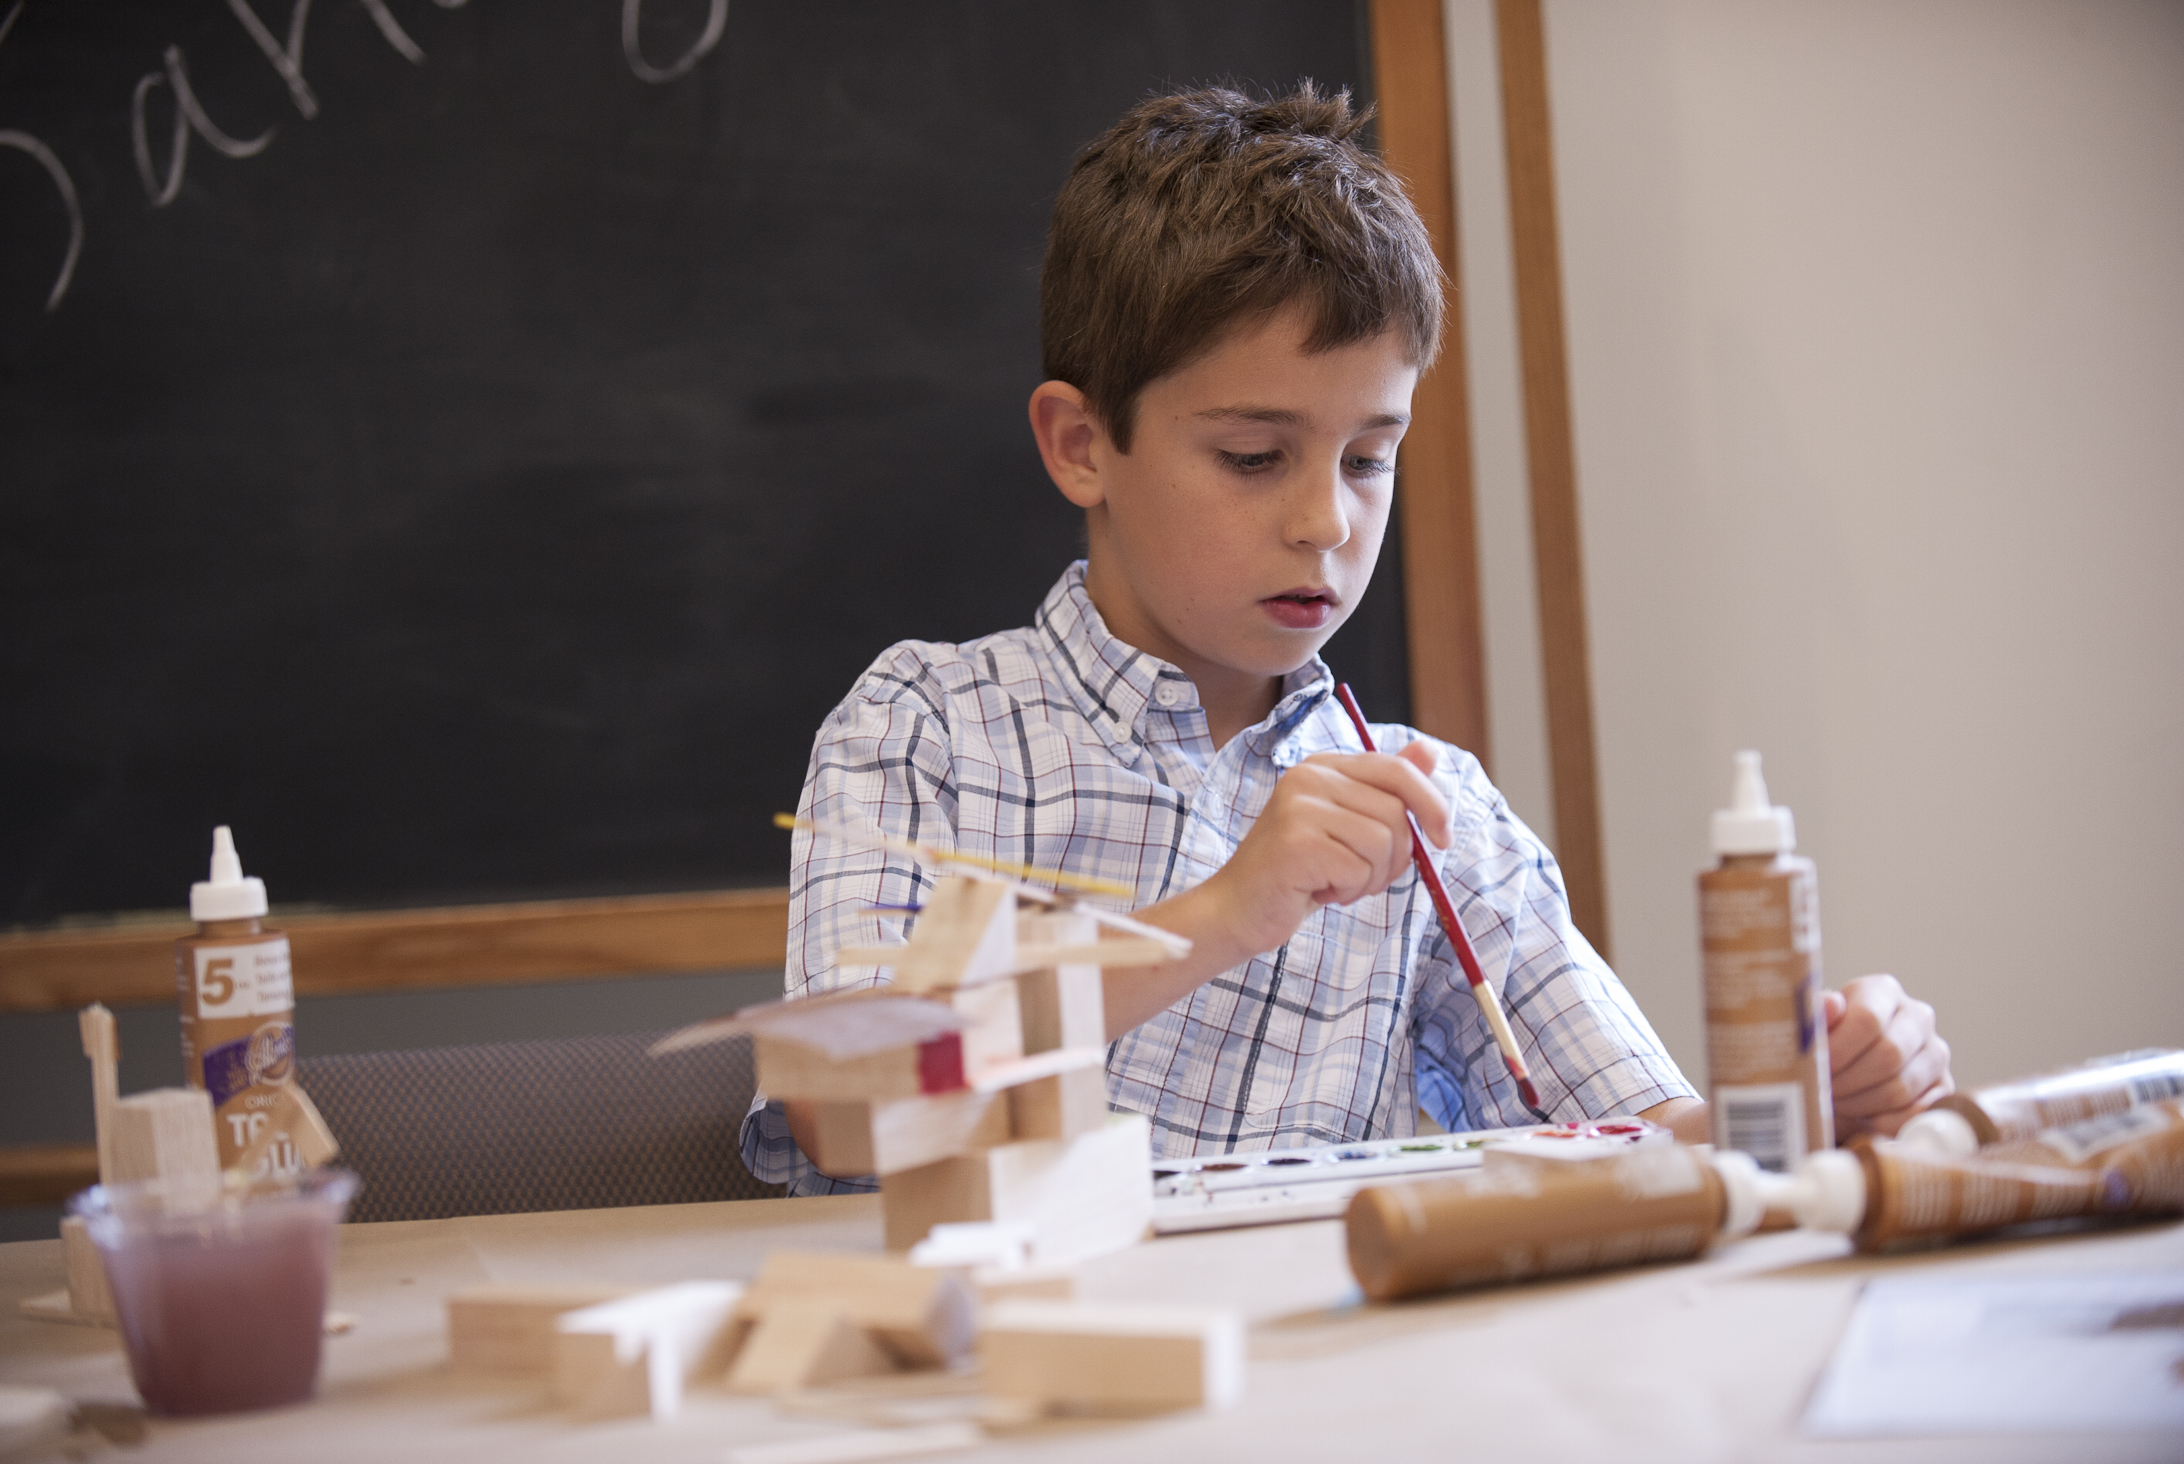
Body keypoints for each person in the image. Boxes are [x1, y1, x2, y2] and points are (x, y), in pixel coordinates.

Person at [741, 84, 1952, 1194]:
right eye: (1253, 457)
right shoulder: (927, 728)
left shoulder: (1431, 811)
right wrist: (1226, 911)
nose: (1326, 520)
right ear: (1080, 444)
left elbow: (1633, 1132)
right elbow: (838, 1111)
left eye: (1368, 457)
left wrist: (1804, 1099)